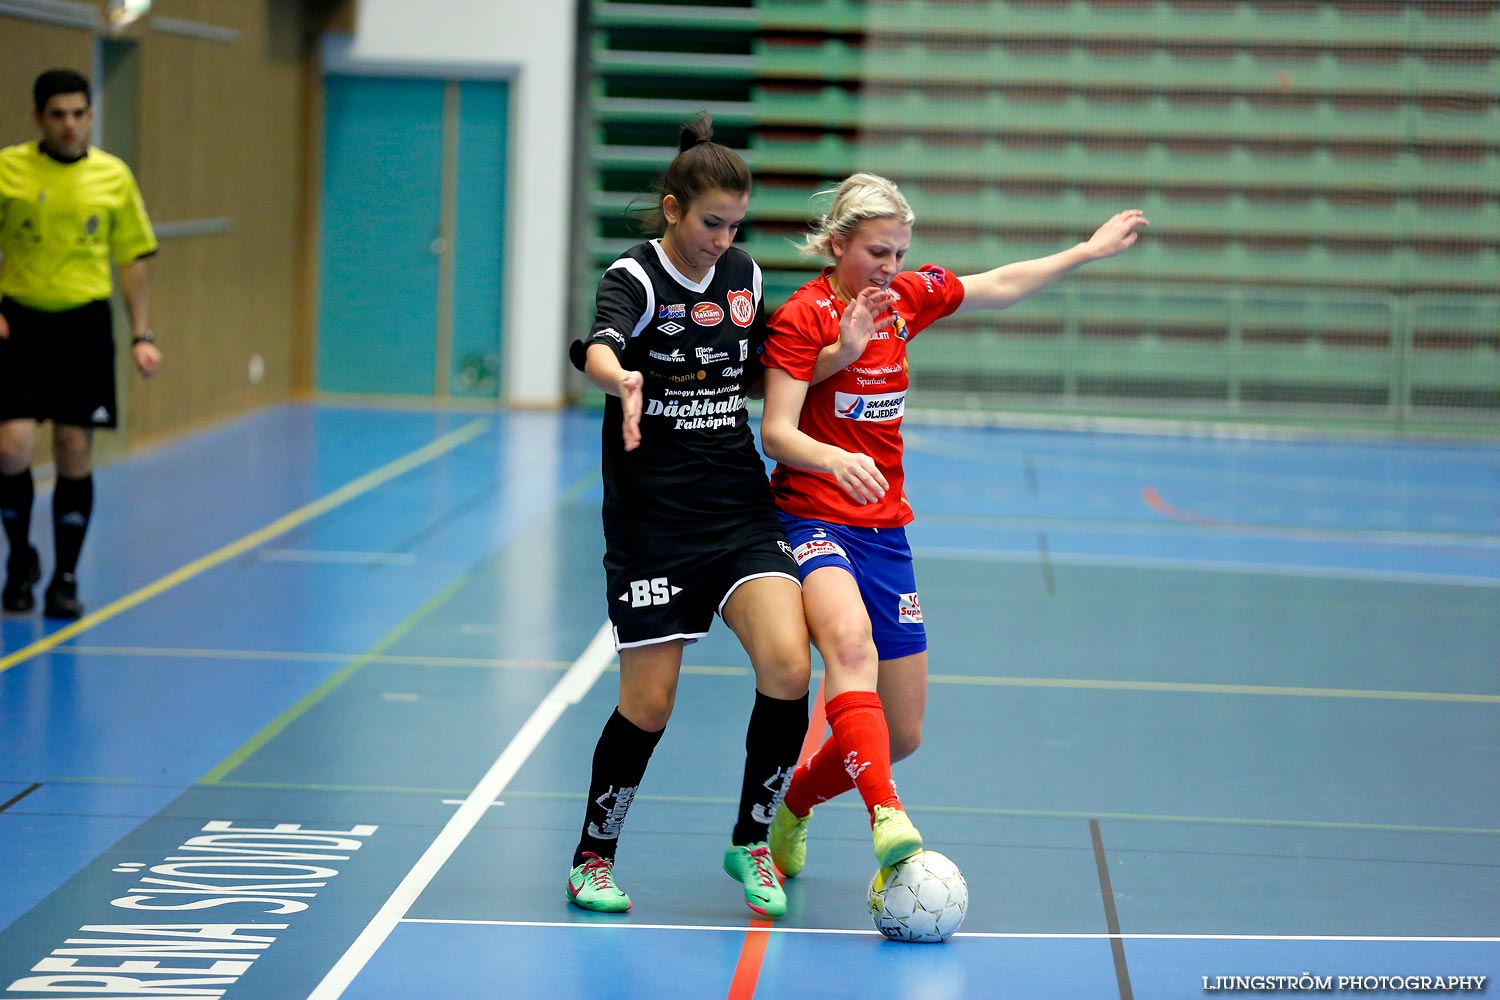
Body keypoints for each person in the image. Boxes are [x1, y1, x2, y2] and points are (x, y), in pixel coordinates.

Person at [759, 172, 1147, 879]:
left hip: (885, 531)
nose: (891, 267)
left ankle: (795, 805)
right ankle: (888, 817)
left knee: (902, 732)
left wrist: (1084, 252)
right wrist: (838, 399)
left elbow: (996, 283)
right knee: (849, 646)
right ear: (839, 243)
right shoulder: (803, 316)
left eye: (900, 252)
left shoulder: (906, 300)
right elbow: (777, 433)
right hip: (811, 516)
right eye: (877, 251)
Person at [563, 115, 810, 919]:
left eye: (735, 225)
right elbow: (598, 345)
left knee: (788, 666)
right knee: (650, 705)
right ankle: (593, 857)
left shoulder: (744, 275)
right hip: (654, 523)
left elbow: (771, 363)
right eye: (711, 223)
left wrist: (839, 351)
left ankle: (751, 841)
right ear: (673, 209)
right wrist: (621, 381)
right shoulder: (634, 278)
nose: (723, 239)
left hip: (738, 508)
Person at [1, 68, 161, 620]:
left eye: (78, 114)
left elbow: (132, 260)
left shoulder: (113, 178)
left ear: (91, 116)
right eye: (57, 115)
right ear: (38, 118)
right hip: (18, 324)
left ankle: (65, 577)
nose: (69, 125)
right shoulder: (9, 170)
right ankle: (20, 559)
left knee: (73, 447)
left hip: (83, 327)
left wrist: (142, 333)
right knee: (10, 448)